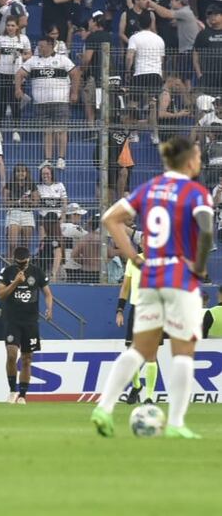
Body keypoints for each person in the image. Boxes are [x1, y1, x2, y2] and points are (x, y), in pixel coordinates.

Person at [93, 137, 214, 439]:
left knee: (140, 350)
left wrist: (134, 256)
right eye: (197, 156)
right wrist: (198, 267)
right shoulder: (196, 192)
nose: (200, 160)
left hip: (149, 277)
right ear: (188, 161)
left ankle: (104, 408)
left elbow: (110, 219)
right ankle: (175, 423)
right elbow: (207, 231)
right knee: (183, 351)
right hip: (179, 277)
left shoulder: (149, 189)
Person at [0, 246, 53, 404]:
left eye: (24, 263)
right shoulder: (7, 272)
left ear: (29, 259)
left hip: (30, 322)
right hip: (12, 320)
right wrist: (15, 283)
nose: (22, 266)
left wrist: (49, 308)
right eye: (19, 263)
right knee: (12, 354)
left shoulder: (37, 272)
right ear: (14, 261)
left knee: (27, 359)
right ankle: (12, 390)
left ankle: (22, 395)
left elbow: (47, 294)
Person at [16, 36, 79, 169]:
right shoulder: (33, 61)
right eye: (39, 46)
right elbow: (19, 74)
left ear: (51, 46)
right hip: (41, 103)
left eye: (43, 46)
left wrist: (74, 92)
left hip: (60, 101)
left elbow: (75, 74)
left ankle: (61, 158)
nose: (40, 48)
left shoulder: (62, 59)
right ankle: (48, 159)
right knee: (47, 131)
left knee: (61, 130)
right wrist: (18, 89)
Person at [115, 233, 160, 404]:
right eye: (144, 242)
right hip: (136, 310)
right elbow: (125, 287)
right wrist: (120, 309)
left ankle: (149, 397)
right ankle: (136, 385)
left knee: (151, 354)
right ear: (141, 244)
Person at [126, 14, 165, 145]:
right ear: (151, 23)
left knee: (133, 104)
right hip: (155, 74)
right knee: (152, 105)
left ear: (138, 24)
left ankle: (134, 133)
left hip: (140, 73)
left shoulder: (134, 37)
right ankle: (155, 135)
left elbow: (130, 56)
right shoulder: (159, 39)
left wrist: (127, 71)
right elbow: (161, 60)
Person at [0, 16, 31, 142]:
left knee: (15, 103)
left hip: (17, 75)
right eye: (8, 25)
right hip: (2, 73)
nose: (10, 28)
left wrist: (21, 56)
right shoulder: (1, 39)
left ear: (17, 26)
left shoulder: (23, 39)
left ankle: (16, 130)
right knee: (1, 103)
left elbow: (29, 55)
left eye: (13, 25)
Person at [4, 164, 39, 258]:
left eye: (23, 171)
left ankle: (24, 270)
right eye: (18, 171)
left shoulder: (32, 184)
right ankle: (10, 268)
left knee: (25, 246)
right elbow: (5, 203)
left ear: (26, 173)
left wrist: (29, 201)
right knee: (12, 245)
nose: (21, 173)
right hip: (13, 213)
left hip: (27, 214)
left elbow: (36, 203)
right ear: (15, 173)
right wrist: (19, 201)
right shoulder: (9, 184)